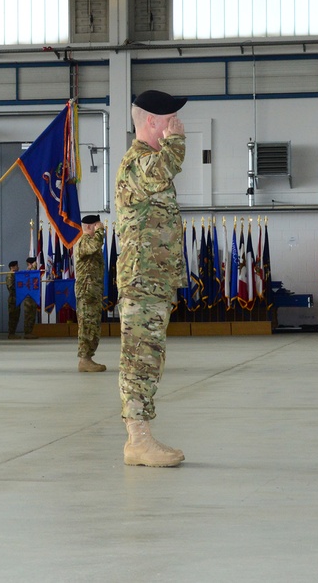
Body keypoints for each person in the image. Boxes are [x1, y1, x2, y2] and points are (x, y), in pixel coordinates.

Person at [115, 89, 188, 467]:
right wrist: (176, 141)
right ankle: (137, 441)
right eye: (170, 119)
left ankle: (140, 437)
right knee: (140, 359)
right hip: (141, 281)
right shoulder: (139, 163)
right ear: (151, 122)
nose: (177, 124)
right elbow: (164, 168)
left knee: (149, 357)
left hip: (154, 281)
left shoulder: (147, 161)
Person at [75, 214, 108, 373]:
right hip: (87, 291)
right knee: (87, 325)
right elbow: (95, 245)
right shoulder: (85, 241)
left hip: (92, 291)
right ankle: (84, 360)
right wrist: (101, 232)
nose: (100, 227)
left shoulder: (90, 241)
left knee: (93, 325)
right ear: (89, 227)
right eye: (97, 225)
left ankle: (88, 358)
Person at [22, 257, 39, 339]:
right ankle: (27, 332)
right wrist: (33, 268)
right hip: (28, 298)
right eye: (33, 263)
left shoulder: (33, 272)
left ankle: (30, 331)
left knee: (32, 315)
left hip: (33, 297)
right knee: (28, 315)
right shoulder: (27, 273)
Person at [6, 260, 20, 339]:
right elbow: (11, 287)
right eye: (16, 266)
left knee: (16, 317)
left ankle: (13, 333)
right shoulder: (10, 275)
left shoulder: (15, 275)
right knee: (12, 317)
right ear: (12, 267)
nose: (18, 267)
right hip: (13, 299)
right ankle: (11, 333)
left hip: (16, 298)